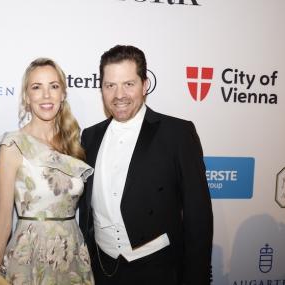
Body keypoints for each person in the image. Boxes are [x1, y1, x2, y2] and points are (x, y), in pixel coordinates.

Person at [78, 45, 213, 285]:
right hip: (102, 267)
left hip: (158, 269)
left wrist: (196, 277)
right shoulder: (90, 136)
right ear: (102, 88)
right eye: (110, 85)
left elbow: (198, 215)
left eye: (128, 84)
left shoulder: (177, 134)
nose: (119, 95)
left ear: (145, 84)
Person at [0, 58, 94, 285]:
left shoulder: (73, 143)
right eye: (37, 87)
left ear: (63, 94)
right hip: (29, 257)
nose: (46, 95)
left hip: (72, 255)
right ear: (26, 97)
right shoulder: (13, 145)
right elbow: (3, 220)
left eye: (53, 86)